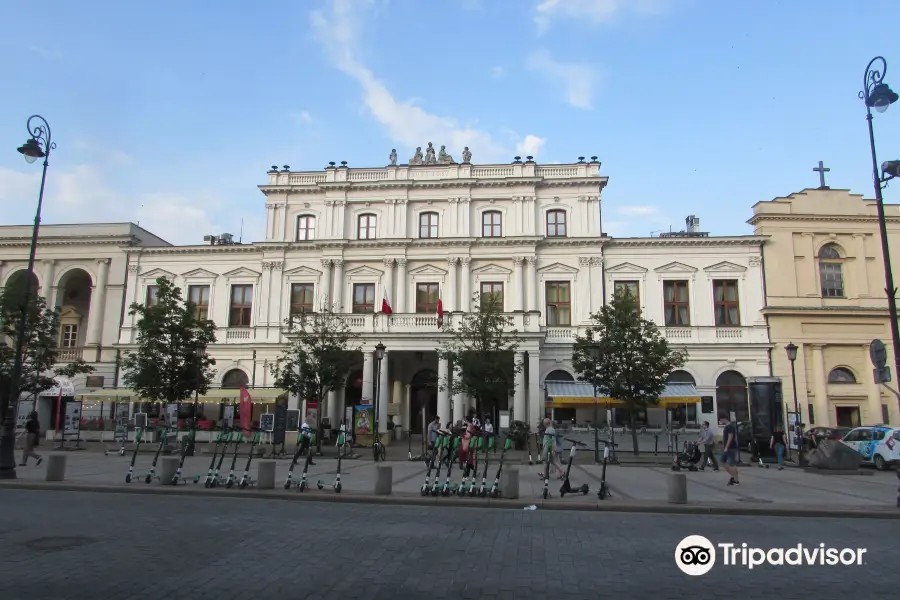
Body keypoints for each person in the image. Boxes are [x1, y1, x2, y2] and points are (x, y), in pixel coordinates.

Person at [720, 416, 739, 486]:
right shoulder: (727, 426)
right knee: (722, 460)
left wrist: (727, 447)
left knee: (732, 463)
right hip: (727, 448)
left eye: (720, 420)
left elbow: (730, 436)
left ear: (724, 418)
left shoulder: (729, 426)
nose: (720, 421)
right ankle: (733, 476)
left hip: (731, 448)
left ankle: (736, 480)